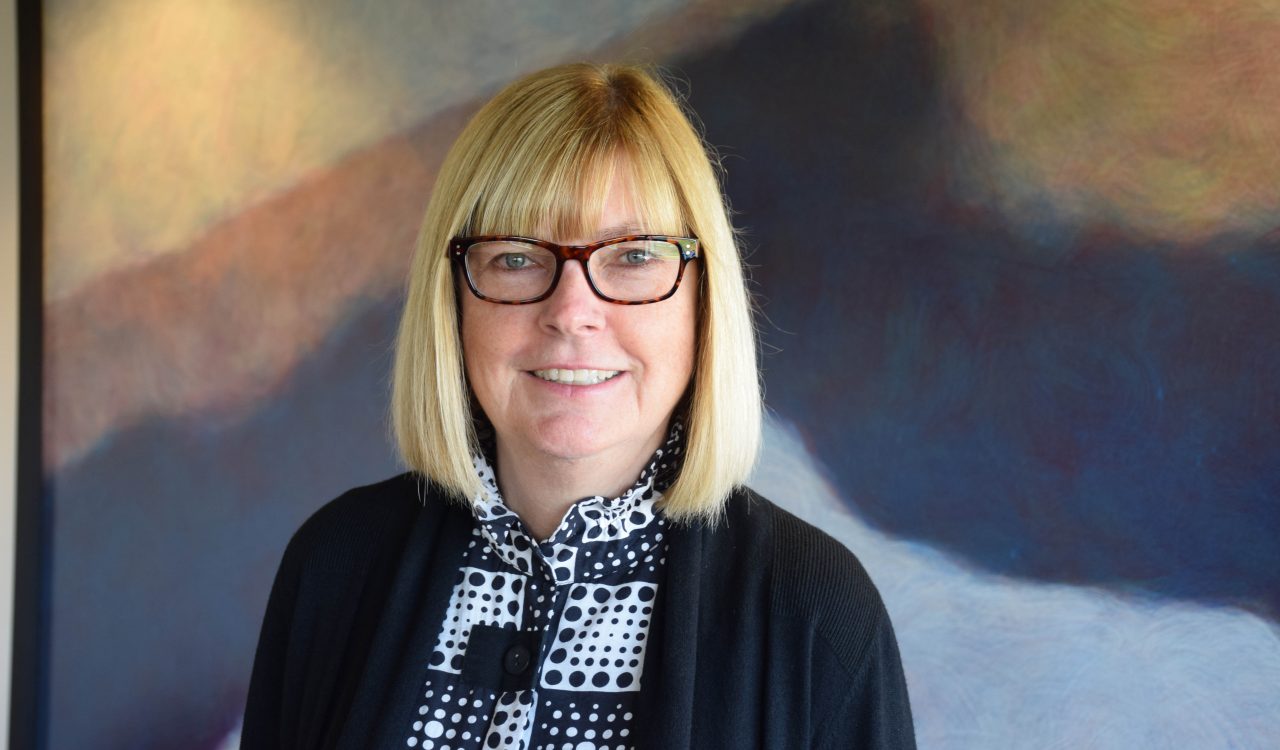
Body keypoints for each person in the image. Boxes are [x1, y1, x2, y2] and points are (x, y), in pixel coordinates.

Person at [243, 62, 914, 749]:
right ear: (452, 301)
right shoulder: (334, 567)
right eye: (514, 257)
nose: (572, 312)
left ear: (702, 303)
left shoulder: (816, 613)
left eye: (632, 257)